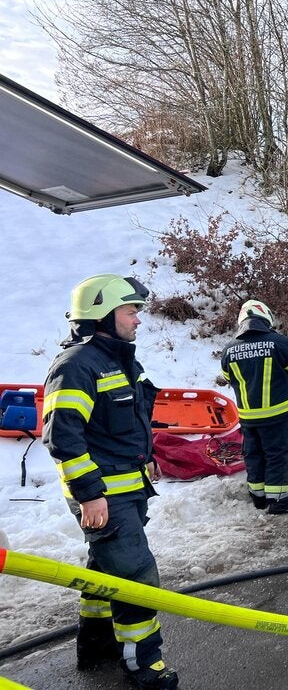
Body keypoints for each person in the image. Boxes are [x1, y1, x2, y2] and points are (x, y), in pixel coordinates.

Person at [42, 274, 179, 689]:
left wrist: (148, 457)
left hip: (126, 487)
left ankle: (96, 642)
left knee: (105, 564)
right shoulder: (76, 367)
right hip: (103, 496)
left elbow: (132, 416)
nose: (138, 319)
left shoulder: (118, 359)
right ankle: (144, 665)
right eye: (131, 311)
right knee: (137, 576)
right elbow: (63, 437)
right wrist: (90, 496)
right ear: (103, 315)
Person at [221, 300, 288, 514]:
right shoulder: (277, 341)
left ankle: (258, 497)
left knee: (253, 453)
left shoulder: (229, 349)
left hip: (247, 416)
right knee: (276, 454)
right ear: (265, 317)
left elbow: (226, 376)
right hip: (275, 413)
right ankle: (279, 500)